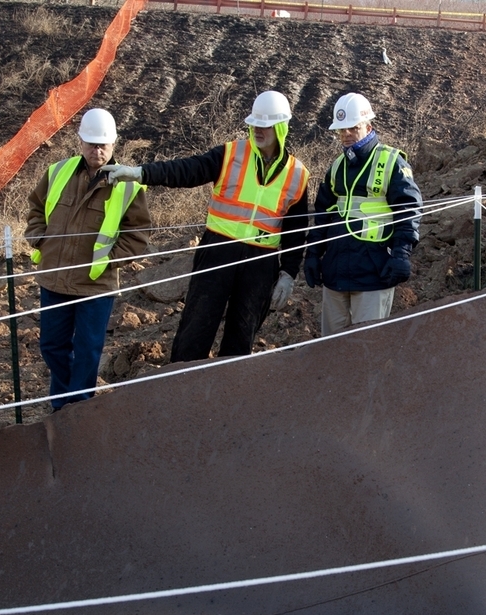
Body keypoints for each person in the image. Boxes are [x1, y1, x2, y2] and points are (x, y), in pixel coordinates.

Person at [102, 90, 310, 362]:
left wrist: (288, 274)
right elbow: (187, 170)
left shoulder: (297, 175)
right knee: (196, 329)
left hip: (261, 264)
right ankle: (180, 387)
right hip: (217, 252)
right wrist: (141, 173)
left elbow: (295, 232)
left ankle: (226, 396)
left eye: (265, 125)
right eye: (254, 124)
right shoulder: (231, 154)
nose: (258, 130)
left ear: (281, 127)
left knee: (241, 338)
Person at [26, 108, 151, 410]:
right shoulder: (58, 172)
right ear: (80, 142)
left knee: (87, 350)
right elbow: (35, 208)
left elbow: (138, 235)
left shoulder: (128, 186)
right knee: (52, 347)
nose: (97, 150)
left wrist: (109, 261)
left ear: (113, 145)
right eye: (91, 144)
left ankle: (77, 409)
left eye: (103, 145)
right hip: (54, 276)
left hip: (95, 285)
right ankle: (63, 403)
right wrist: (38, 237)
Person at [304, 92, 423, 335]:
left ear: (368, 126)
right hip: (335, 272)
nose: (346, 134)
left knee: (369, 351)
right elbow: (323, 215)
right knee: (329, 350)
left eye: (352, 128)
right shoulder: (337, 166)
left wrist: (401, 253)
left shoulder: (392, 162)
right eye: (341, 130)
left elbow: (408, 211)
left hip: (373, 272)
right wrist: (313, 254)